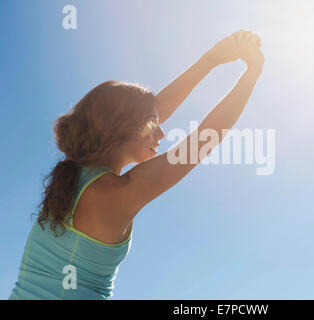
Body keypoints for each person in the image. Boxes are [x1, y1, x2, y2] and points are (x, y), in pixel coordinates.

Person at [8, 30, 264, 299]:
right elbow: (203, 141)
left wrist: (212, 59)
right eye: (153, 125)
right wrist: (252, 74)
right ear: (123, 129)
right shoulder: (113, 193)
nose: (161, 133)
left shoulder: (78, 171)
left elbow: (145, 111)